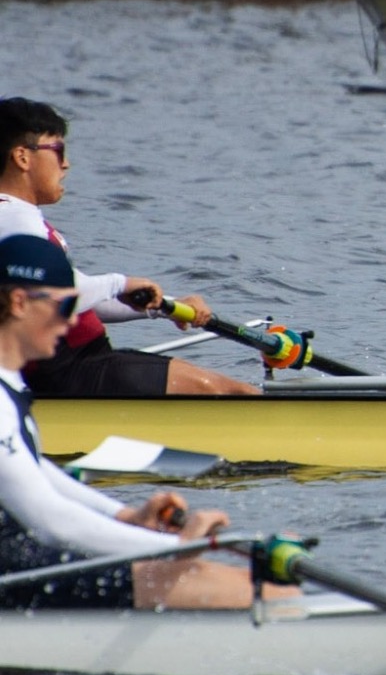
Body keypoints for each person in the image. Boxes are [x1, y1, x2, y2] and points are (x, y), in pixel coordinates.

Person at [0, 235, 295, 610]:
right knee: (260, 593)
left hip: (20, 558)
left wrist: (127, 516)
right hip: (14, 571)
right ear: (19, 303)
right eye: (67, 304)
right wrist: (176, 547)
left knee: (234, 582)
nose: (75, 320)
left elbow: (35, 472)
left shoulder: (10, 383)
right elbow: (50, 520)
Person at [0, 98, 256, 396]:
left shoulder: (17, 215)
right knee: (234, 393)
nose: (66, 163)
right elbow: (51, 298)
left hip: (83, 365)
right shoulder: (13, 217)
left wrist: (167, 308)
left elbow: (82, 297)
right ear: (22, 157)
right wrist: (118, 283)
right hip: (71, 372)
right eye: (58, 151)